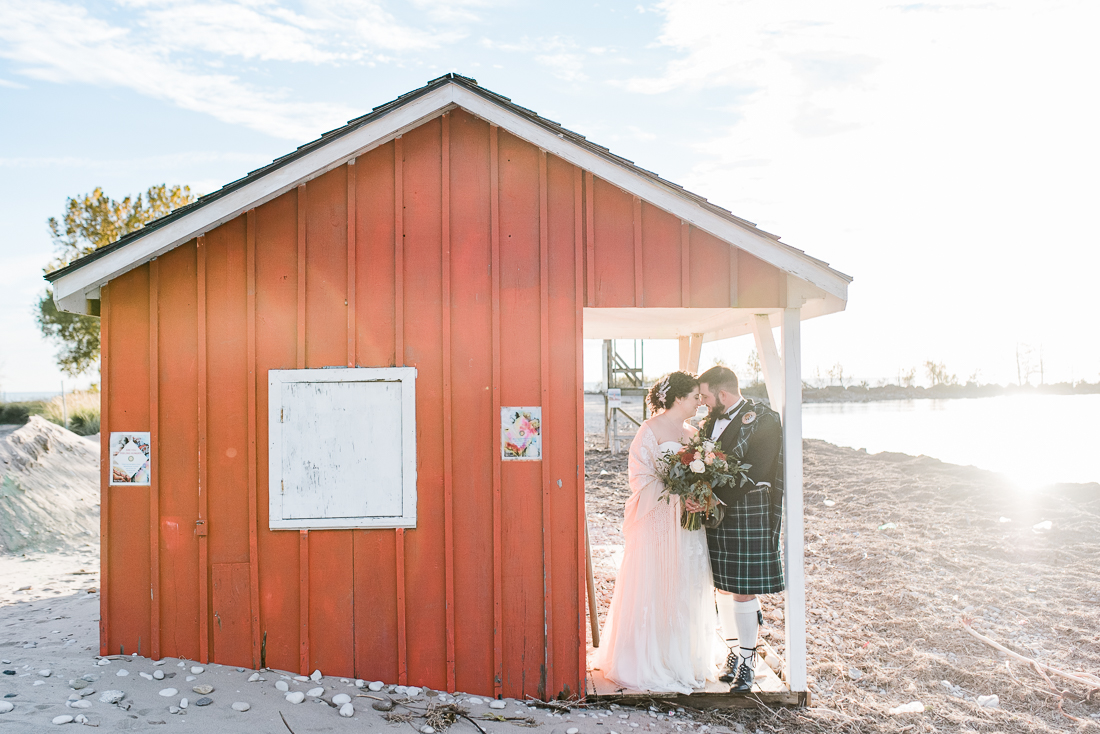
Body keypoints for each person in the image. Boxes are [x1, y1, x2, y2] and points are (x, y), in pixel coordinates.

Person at [594, 372, 722, 693]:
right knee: (656, 582)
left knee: (684, 585)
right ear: (679, 398)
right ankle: (649, 658)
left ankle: (683, 657)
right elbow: (639, 478)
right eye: (695, 396)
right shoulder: (648, 430)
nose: (699, 402)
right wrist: (676, 495)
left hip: (687, 526)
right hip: (656, 522)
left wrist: (698, 494)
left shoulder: (694, 433)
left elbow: (704, 476)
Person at [695, 366, 784, 693]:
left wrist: (712, 497)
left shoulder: (764, 420)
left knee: (744, 589)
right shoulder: (708, 422)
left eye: (705, 396)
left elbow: (756, 473)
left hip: (746, 511)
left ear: (722, 394)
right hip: (713, 511)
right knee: (721, 586)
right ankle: (733, 653)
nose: (702, 402)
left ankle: (747, 661)